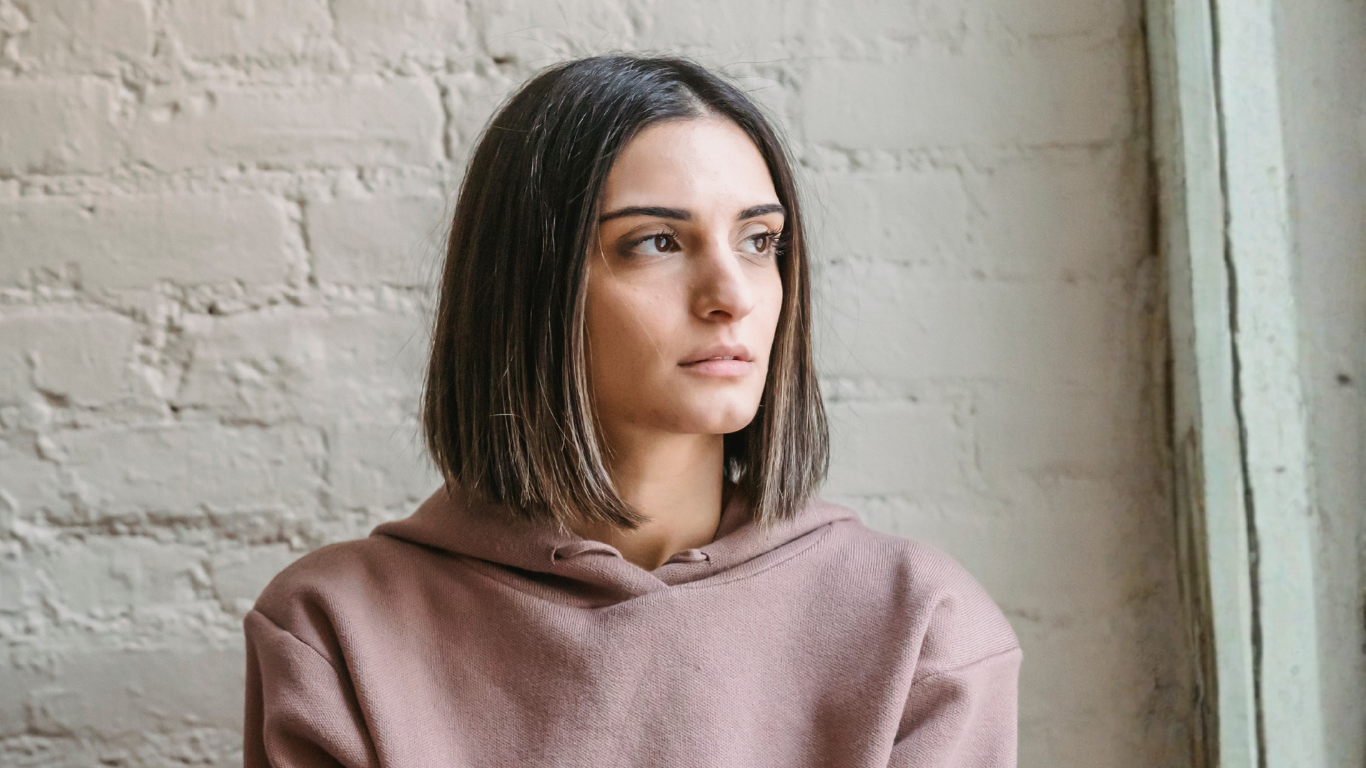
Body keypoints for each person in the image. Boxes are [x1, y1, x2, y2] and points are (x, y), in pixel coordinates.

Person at [243, 54, 1020, 767]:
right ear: (531, 287)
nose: (732, 296)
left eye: (759, 241)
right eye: (657, 242)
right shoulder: (337, 632)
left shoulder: (919, 628)